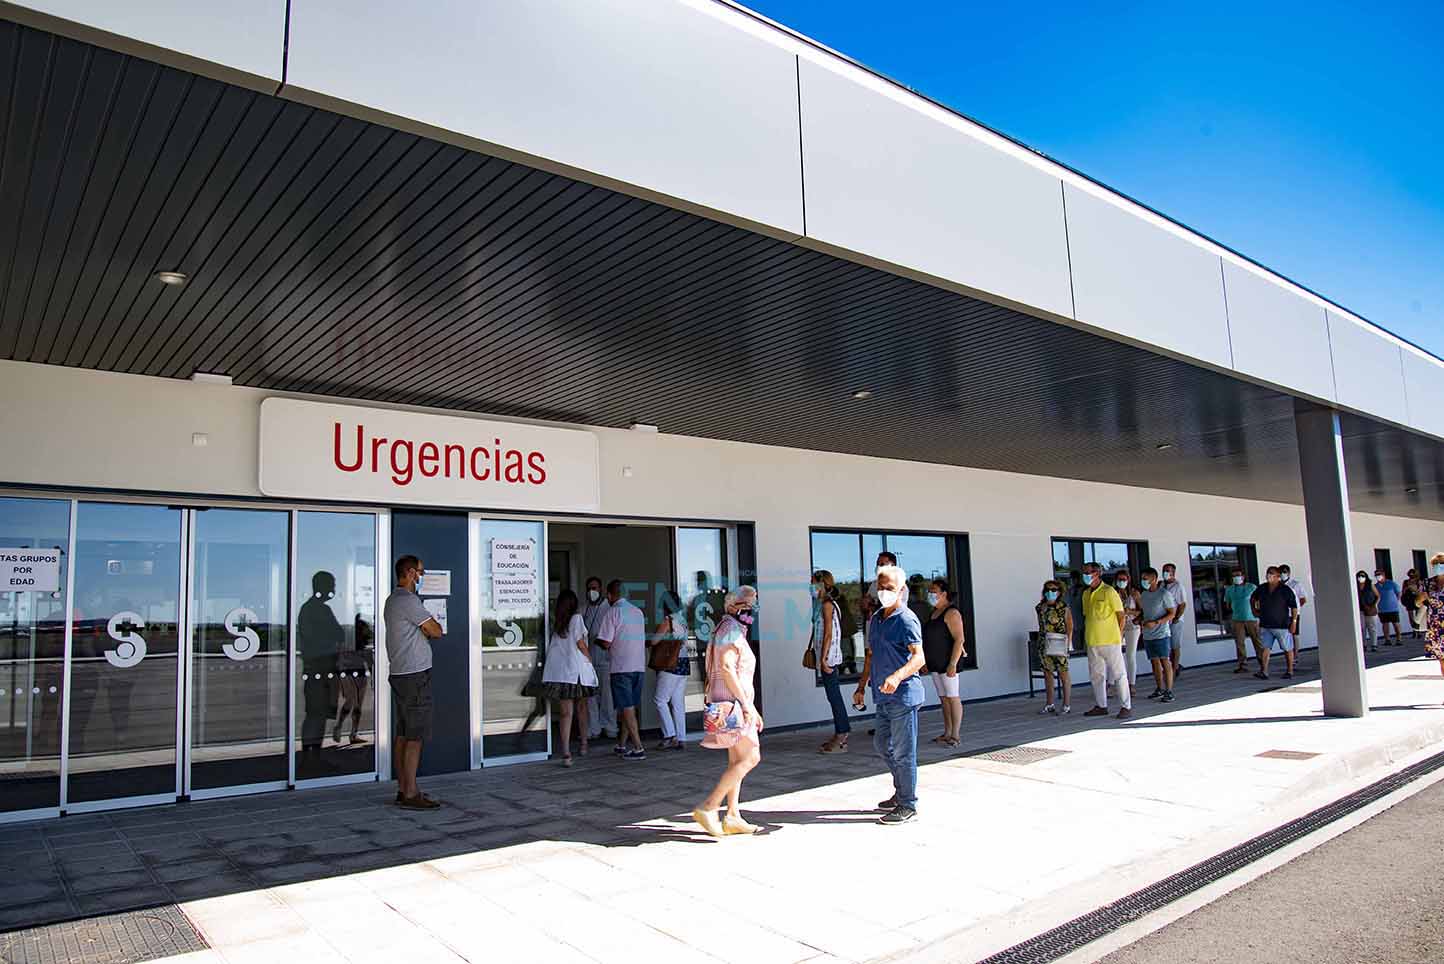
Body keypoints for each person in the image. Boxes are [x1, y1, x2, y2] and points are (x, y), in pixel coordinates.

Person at [853, 564, 926, 824]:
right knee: (882, 745)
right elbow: (871, 656)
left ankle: (908, 804)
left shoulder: (907, 619)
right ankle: (901, 791)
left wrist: (896, 676)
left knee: (905, 752)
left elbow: (919, 658)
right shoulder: (876, 620)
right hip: (882, 696)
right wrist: (862, 687)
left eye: (890, 588)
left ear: (902, 590)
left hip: (903, 696)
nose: (884, 592)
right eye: (881, 587)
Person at [692, 586, 763, 837]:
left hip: (731, 704)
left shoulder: (730, 628)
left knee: (736, 760)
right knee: (750, 757)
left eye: (754, 602)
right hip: (733, 705)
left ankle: (732, 815)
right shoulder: (731, 630)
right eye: (748, 602)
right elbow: (726, 667)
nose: (752, 608)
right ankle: (709, 806)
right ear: (733, 606)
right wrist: (747, 706)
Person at [383, 555, 444, 809]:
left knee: (403, 734)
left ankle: (403, 787)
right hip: (415, 675)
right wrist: (427, 627)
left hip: (400, 674)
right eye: (421, 572)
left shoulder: (392, 600)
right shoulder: (408, 601)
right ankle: (410, 793)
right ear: (410, 573)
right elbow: (436, 630)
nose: (422, 576)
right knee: (415, 736)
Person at [528, 588, 597, 766]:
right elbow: (580, 643)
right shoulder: (577, 619)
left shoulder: (557, 622)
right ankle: (583, 744)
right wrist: (589, 658)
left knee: (566, 713)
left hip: (562, 673)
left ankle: (566, 752)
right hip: (578, 673)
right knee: (582, 709)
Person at [595, 579, 648, 760]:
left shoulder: (613, 612)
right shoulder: (638, 612)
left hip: (621, 667)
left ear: (610, 595)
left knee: (626, 707)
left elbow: (606, 641)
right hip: (638, 666)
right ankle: (622, 745)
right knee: (629, 707)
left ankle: (639, 748)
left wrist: (596, 640)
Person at [298, 570, 343, 769]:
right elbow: (337, 633)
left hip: (323, 668)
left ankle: (314, 755)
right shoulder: (316, 609)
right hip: (319, 667)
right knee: (316, 714)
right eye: (331, 585)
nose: (333, 589)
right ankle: (310, 758)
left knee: (319, 713)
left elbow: (338, 633)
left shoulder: (315, 609)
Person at [1080, 563, 1132, 719]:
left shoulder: (1109, 591)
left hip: (1111, 641)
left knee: (1119, 674)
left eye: (1087, 572)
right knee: (1097, 675)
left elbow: (1120, 616)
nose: (1085, 575)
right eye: (1084, 572)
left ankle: (1126, 706)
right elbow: (1087, 616)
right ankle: (1101, 705)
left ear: (1097, 573)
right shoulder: (1086, 594)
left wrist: (1119, 635)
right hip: (1092, 641)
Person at [923, 578, 967, 746]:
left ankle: (955, 734)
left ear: (944, 594)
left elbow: (959, 639)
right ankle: (947, 731)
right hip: (935, 662)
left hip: (948, 662)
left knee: (953, 697)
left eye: (933, 591)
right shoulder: (934, 613)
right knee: (944, 698)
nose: (930, 594)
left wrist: (953, 664)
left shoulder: (952, 613)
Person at [812, 570, 851, 754]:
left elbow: (828, 633)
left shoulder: (828, 604)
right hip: (826, 656)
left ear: (822, 584)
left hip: (829, 658)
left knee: (834, 696)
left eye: (813, 583)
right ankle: (840, 733)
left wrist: (823, 659)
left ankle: (842, 735)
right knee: (832, 695)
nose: (810, 586)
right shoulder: (822, 604)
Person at [649, 598, 690, 751]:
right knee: (678, 702)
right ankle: (681, 737)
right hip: (684, 663)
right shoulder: (683, 620)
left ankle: (669, 735)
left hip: (670, 663)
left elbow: (654, 641)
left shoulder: (668, 621)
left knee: (660, 699)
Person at [581, 576, 616, 741]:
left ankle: (609, 726)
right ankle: (593, 728)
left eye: (594, 588)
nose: (591, 592)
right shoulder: (585, 609)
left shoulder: (608, 608)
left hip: (605, 658)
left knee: (607, 695)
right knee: (591, 696)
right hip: (589, 659)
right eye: (589, 588)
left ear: (601, 589)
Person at [1137, 568, 1177, 703]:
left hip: (1162, 634)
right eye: (1142, 578)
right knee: (1154, 662)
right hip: (1148, 634)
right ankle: (1159, 688)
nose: (1143, 581)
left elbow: (1172, 613)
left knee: (1165, 661)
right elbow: (1144, 612)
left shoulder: (1164, 594)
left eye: (1146, 578)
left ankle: (1169, 690)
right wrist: (1139, 619)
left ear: (1154, 579)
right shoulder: (1144, 595)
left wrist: (1157, 622)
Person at [1034, 579, 1073, 715]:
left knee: (1063, 673)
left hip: (1059, 642)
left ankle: (1066, 704)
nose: (1050, 592)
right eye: (1047, 590)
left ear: (1059, 592)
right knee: (1047, 673)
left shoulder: (1063, 607)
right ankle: (1049, 703)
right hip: (1044, 642)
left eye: (1053, 590)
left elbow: (1070, 625)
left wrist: (1068, 643)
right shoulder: (1040, 607)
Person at [1251, 566, 1298, 679]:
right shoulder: (1262, 588)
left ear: (1278, 576)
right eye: (1268, 573)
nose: (1269, 575)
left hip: (1282, 625)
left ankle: (1290, 671)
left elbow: (1294, 607)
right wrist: (1254, 610)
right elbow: (1253, 598)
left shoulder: (1285, 590)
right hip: (1266, 625)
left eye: (1272, 573)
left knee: (1287, 648)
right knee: (1265, 648)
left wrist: (1294, 622)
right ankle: (1264, 671)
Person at [1223, 568, 1261, 673]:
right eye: (1234, 576)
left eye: (1238, 575)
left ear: (1243, 576)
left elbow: (1259, 600)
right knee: (1239, 643)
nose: (1236, 578)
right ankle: (1242, 664)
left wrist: (1257, 613)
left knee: (1257, 641)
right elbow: (1227, 604)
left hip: (1251, 619)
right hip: (1237, 619)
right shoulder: (1229, 589)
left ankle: (1263, 661)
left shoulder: (1251, 587)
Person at [1160, 563, 1188, 680]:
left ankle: (1175, 669)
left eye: (1168, 571)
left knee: (1175, 645)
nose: (1165, 572)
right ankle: (1169, 668)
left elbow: (1182, 604)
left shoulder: (1178, 586)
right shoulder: (1161, 584)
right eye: (1164, 570)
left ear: (1173, 573)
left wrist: (1176, 618)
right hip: (1163, 620)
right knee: (1166, 646)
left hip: (1175, 621)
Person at [1420, 554, 1444, 685]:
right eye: (1436, 564)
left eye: (1441, 564)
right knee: (1442, 660)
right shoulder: (1428, 583)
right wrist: (1421, 597)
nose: (1438, 567)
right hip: (1435, 626)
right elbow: (1418, 603)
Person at [1117, 571, 1142, 691]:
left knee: (1130, 655)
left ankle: (1132, 684)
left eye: (1124, 579)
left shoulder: (1134, 593)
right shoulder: (1114, 593)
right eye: (1119, 579)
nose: (1121, 582)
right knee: (1116, 655)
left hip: (1132, 626)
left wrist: (1129, 611)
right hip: (1118, 626)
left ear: (1128, 579)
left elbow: (1141, 611)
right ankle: (1114, 683)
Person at [1279, 564, 1309, 642]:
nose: (1282, 574)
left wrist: (1296, 608)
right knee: (1285, 636)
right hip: (1282, 614)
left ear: (1288, 573)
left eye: (1284, 572)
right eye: (1280, 572)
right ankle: (1289, 653)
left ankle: (1295, 653)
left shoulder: (1295, 584)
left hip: (1293, 614)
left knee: (1294, 635)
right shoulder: (1278, 585)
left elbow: (1303, 599)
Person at [1375, 569, 1404, 646]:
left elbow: (1399, 592)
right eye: (1376, 575)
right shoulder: (1376, 586)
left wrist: (1396, 601)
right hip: (1382, 609)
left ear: (1384, 575)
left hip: (1393, 608)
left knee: (1396, 624)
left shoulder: (1391, 583)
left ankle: (1399, 639)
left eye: (1379, 574)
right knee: (1385, 624)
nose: (1378, 576)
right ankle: (1387, 640)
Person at [1356, 571, 1381, 653]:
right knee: (1362, 628)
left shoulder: (1370, 584)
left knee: (1372, 628)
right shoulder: (1355, 585)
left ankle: (1374, 645)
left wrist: (1374, 605)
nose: (1361, 577)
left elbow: (1378, 596)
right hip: (1360, 609)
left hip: (1371, 608)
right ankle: (1363, 645)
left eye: (1362, 576)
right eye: (1359, 576)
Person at [1402, 570, 1423, 639]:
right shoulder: (1405, 582)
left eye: (1413, 574)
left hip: (1417, 599)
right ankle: (1414, 630)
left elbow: (1420, 592)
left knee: (1418, 616)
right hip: (1409, 600)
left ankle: (1418, 631)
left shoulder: (1418, 582)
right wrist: (1407, 588)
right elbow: (1403, 592)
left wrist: (1414, 589)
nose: (1411, 575)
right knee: (1411, 617)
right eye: (1410, 574)